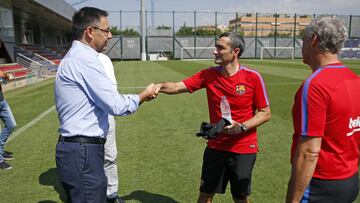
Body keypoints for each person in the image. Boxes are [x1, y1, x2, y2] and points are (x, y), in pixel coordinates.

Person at [54, 7, 157, 203]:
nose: (110, 36)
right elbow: (115, 105)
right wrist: (144, 95)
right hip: (82, 151)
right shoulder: (84, 60)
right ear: (90, 32)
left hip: (79, 150)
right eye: (106, 30)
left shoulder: (77, 57)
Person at [155, 32, 271, 203]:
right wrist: (159, 86)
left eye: (220, 48)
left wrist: (242, 127)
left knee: (240, 198)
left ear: (235, 51)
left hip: (244, 148)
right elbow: (178, 86)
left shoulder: (252, 77)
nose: (214, 51)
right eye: (216, 46)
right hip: (216, 146)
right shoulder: (208, 75)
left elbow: (265, 112)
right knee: (205, 194)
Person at [286, 15, 360, 203]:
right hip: (350, 182)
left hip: (320, 186)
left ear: (314, 40)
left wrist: (293, 200)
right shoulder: (355, 80)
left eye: (303, 39)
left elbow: (309, 152)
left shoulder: (316, 86)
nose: (301, 44)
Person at [98, 53, 124, 203]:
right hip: (85, 118)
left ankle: (111, 194)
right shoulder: (73, 58)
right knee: (88, 158)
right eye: (105, 31)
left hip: (107, 115)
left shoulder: (104, 59)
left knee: (110, 155)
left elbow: (112, 92)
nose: (109, 36)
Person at [0, 70, 16, 170]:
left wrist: (5, 76)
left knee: (11, 125)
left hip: (2, 101)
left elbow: (6, 79)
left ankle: (0, 151)